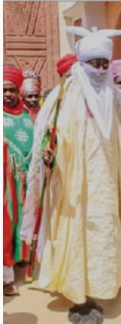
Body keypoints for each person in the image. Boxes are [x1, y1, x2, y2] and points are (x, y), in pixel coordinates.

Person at [21, 27, 121, 323]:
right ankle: (78, 297)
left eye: (105, 64)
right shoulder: (63, 95)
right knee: (75, 234)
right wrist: (46, 153)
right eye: (95, 64)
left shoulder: (116, 97)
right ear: (82, 64)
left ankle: (98, 288)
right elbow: (46, 132)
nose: (101, 69)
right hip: (71, 183)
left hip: (107, 183)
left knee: (102, 235)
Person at [4, 64, 34, 297]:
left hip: (25, 179)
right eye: (3, 90)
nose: (7, 95)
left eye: (12, 90)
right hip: (5, 183)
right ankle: (5, 278)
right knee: (6, 225)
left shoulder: (26, 115)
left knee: (23, 220)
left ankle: (21, 258)